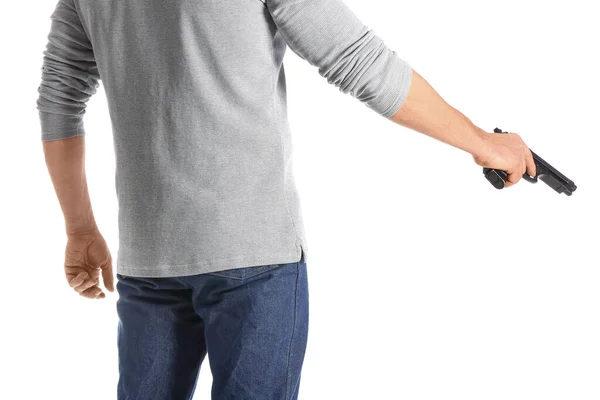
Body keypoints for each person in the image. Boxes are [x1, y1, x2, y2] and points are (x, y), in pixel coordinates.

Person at [36, 0, 536, 399]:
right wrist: (485, 143)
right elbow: (356, 60)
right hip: (253, 259)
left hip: (148, 260)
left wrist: (80, 228)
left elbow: (60, 96)